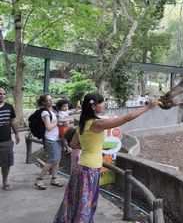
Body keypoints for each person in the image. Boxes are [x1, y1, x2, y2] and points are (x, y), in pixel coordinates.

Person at [53, 92, 158, 223]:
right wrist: (147, 107)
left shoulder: (82, 123)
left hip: (81, 167)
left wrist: (88, 146)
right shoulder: (97, 124)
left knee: (74, 201)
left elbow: (74, 144)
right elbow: (127, 118)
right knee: (85, 205)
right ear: (93, 107)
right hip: (90, 169)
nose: (104, 104)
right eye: (101, 102)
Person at [35, 93, 63, 190]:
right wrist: (58, 121)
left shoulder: (54, 110)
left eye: (51, 100)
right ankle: (39, 178)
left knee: (57, 159)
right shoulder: (45, 113)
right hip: (50, 139)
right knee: (53, 159)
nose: (51, 102)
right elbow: (48, 127)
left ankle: (54, 178)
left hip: (57, 138)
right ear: (43, 102)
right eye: (48, 100)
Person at [0, 87, 20, 191]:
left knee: (6, 162)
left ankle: (5, 180)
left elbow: (13, 121)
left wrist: (16, 134)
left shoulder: (9, 107)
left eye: (3, 94)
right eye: (0, 94)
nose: (2, 95)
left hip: (6, 140)